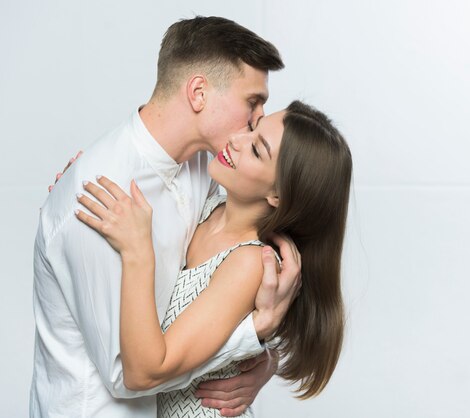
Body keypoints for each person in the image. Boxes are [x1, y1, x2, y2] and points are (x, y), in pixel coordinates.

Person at [31, 16, 300, 418]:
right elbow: (131, 375)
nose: (258, 118)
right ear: (198, 93)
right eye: (252, 102)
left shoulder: (201, 171)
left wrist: (264, 360)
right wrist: (250, 335)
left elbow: (259, 237)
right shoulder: (100, 199)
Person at [75, 101, 352, 417]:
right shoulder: (205, 204)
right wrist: (78, 185)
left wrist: (138, 252)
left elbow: (144, 372)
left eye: (257, 151)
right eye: (251, 128)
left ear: (278, 195)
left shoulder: (250, 262)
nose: (236, 141)